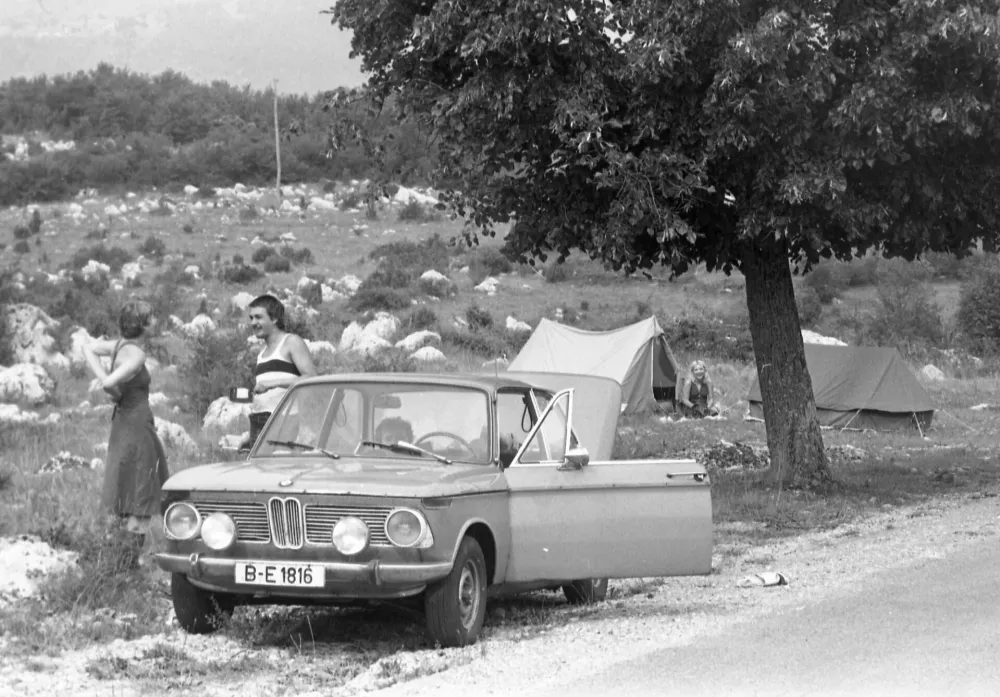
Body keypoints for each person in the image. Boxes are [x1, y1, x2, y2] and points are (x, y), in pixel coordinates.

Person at [82, 299, 170, 565]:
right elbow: (109, 382)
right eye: (152, 317)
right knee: (142, 490)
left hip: (121, 423)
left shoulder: (118, 346)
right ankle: (127, 564)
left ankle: (117, 562)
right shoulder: (137, 354)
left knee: (125, 486)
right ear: (143, 324)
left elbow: (88, 347)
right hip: (137, 425)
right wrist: (111, 386)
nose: (156, 321)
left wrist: (111, 387)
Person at [243, 294, 316, 449]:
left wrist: (272, 384)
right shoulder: (261, 354)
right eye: (251, 318)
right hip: (261, 427)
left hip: (286, 426)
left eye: (258, 317)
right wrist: (248, 438)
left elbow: (311, 379)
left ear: (274, 319)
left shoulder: (291, 342)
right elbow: (267, 401)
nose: (253, 323)